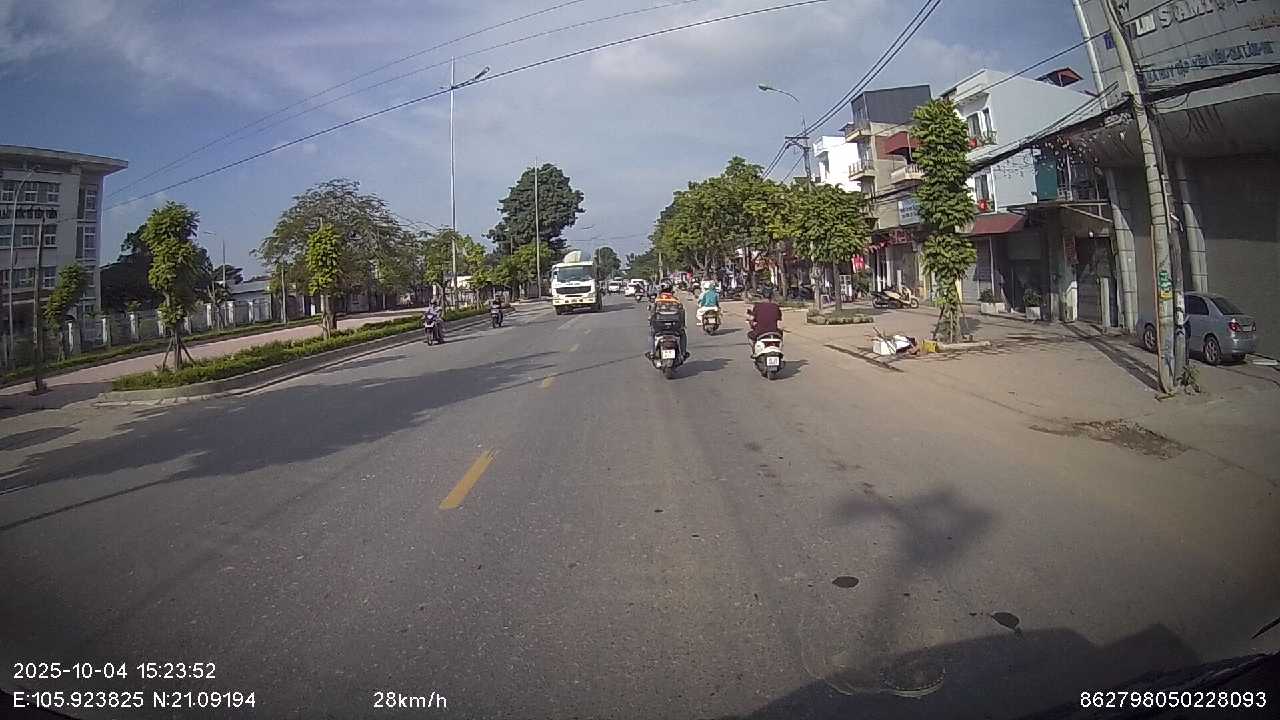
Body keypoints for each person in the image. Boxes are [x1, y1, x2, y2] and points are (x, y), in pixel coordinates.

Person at [646, 279, 689, 361]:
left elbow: (652, 312)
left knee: (651, 334)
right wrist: (683, 324)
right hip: (674, 325)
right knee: (682, 334)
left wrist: (650, 319)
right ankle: (683, 352)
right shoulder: (675, 299)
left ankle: (652, 352)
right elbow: (682, 312)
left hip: (659, 326)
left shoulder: (657, 299)